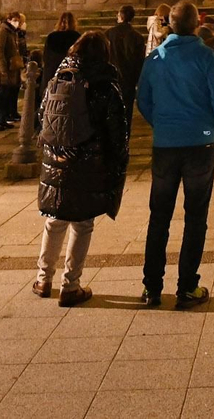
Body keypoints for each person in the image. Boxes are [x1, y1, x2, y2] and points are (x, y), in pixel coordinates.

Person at [135, 0, 214, 308]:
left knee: (159, 217)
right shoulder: (208, 57)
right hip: (199, 144)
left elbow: (143, 100)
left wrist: (162, 125)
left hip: (165, 144)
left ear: (171, 25)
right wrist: (210, 127)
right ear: (196, 24)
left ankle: (152, 288)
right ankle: (187, 286)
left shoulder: (155, 58)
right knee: (195, 216)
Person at [33, 31, 130, 307]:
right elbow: (117, 132)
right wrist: (116, 163)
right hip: (88, 163)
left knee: (54, 220)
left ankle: (43, 279)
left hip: (54, 161)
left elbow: (42, 117)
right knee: (82, 223)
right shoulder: (104, 86)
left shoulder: (57, 79)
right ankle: (70, 285)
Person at [0, 11, 27, 131]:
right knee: (1, 96)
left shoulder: (13, 33)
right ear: (9, 20)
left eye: (18, 20)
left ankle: (2, 119)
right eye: (14, 20)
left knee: (7, 96)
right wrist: (2, 68)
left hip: (12, 69)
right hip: (5, 69)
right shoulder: (3, 32)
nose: (17, 23)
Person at [105, 4, 147, 113]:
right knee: (127, 111)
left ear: (120, 16)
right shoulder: (137, 37)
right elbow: (139, 61)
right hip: (129, 79)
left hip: (111, 77)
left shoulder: (109, 34)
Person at [40, 11, 79, 97]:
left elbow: (46, 57)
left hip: (52, 72)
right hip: (70, 73)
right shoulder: (76, 37)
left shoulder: (52, 37)